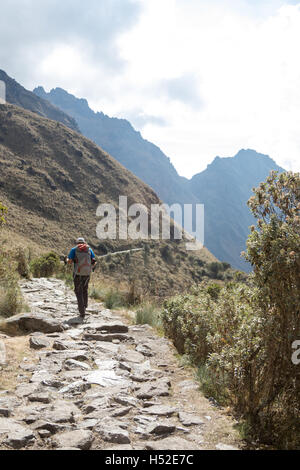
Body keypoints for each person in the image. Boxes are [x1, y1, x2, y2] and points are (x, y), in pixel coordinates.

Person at [67, 237, 97, 319]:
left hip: (77, 274)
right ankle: (85, 305)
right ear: (84, 242)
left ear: (77, 243)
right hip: (87, 274)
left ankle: (82, 312)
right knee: (85, 289)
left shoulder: (74, 249)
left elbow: (69, 261)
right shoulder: (89, 249)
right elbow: (94, 262)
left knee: (78, 291)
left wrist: (68, 260)